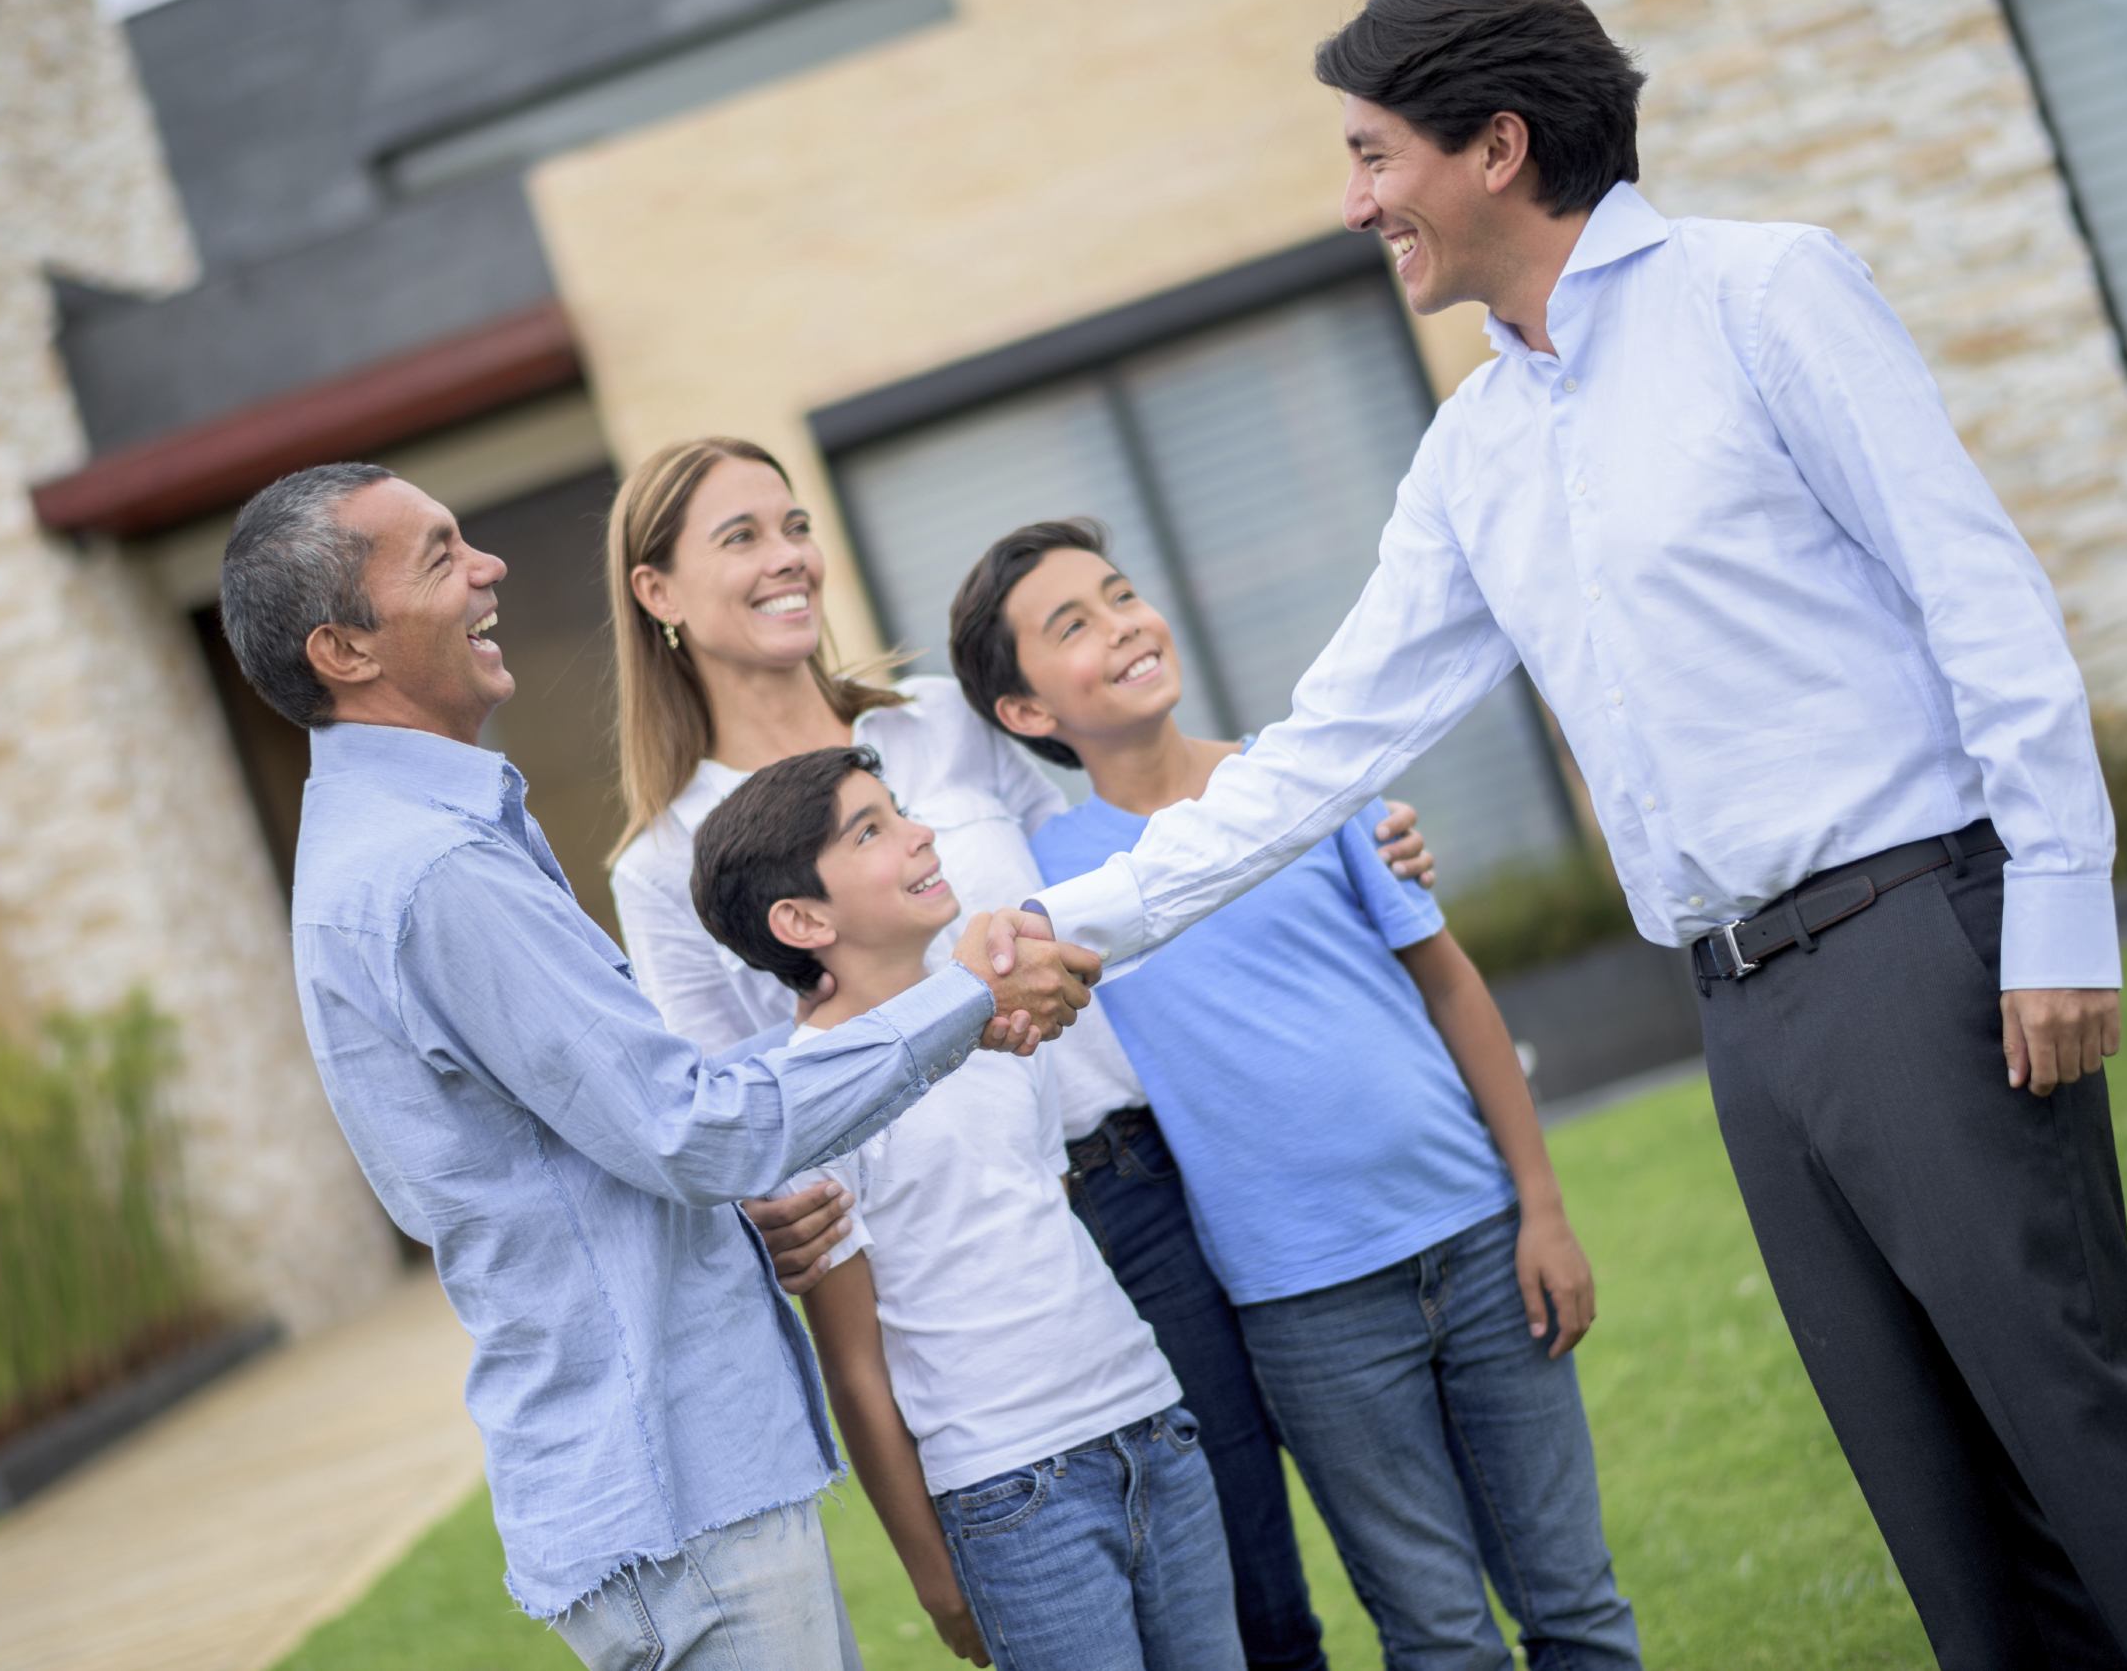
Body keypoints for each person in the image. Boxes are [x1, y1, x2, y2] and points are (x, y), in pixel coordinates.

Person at [1006, 0, 2127, 1671]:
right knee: (1934, 1499)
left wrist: (2056, 908)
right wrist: (1072, 926)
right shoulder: (1473, 448)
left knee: (2086, 1448)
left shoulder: (1760, 294)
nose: (1351, 205)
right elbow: (1320, 745)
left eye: (1368, 155)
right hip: (1740, 1010)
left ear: (1490, 144)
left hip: (1916, 943)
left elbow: (1976, 596)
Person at [216, 462, 1099, 1671]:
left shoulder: (405, 844)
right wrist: (962, 999)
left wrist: (742, 1212)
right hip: (676, 1496)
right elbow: (691, 1126)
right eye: (436, 556)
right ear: (344, 649)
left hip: (671, 1485)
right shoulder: (435, 872)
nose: (489, 568)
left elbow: (577, 1145)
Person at [603, 437, 1431, 1671]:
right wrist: (760, 1214)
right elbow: (727, 1108)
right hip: (942, 1261)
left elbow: (1131, 850)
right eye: (740, 537)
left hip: (1141, 1180)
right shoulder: (666, 859)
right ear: (657, 593)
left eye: (792, 523)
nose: (787, 557)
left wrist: (1338, 831)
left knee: (1252, 1576)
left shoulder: (937, 720)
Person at [953, 519, 1639, 1669]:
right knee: (1435, 1631)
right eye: (1071, 623)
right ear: (1024, 713)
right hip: (1304, 1307)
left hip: (1478, 1243)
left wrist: (1542, 1204)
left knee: (1575, 1606)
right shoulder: (1053, 882)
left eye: (1122, 592)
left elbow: (1452, 987)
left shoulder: (1302, 778)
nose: (1121, 620)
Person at [691, 746, 1240, 1671]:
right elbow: (856, 1374)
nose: (921, 833)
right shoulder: (808, 1104)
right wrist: (934, 1577)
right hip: (1013, 1491)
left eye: (902, 809)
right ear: (801, 919)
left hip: (1155, 1423)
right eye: (873, 829)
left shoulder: (1000, 1021)